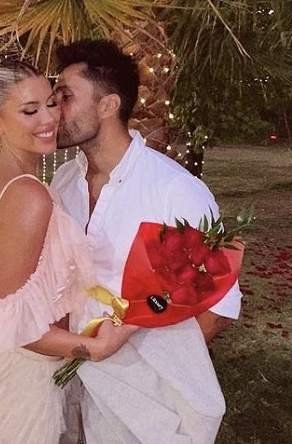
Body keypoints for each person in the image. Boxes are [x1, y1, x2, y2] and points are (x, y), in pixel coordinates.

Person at [51, 40, 243, 443]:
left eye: (66, 96)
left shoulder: (174, 189)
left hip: (145, 401)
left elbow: (218, 305)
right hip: (68, 372)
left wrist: (155, 366)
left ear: (108, 105)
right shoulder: (64, 181)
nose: (54, 107)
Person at [0, 59, 138, 444]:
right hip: (19, 381)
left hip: (7, 369)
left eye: (51, 102)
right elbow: (14, 327)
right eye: (29, 111)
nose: (49, 118)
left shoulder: (4, 175)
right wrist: (95, 348)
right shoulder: (28, 196)